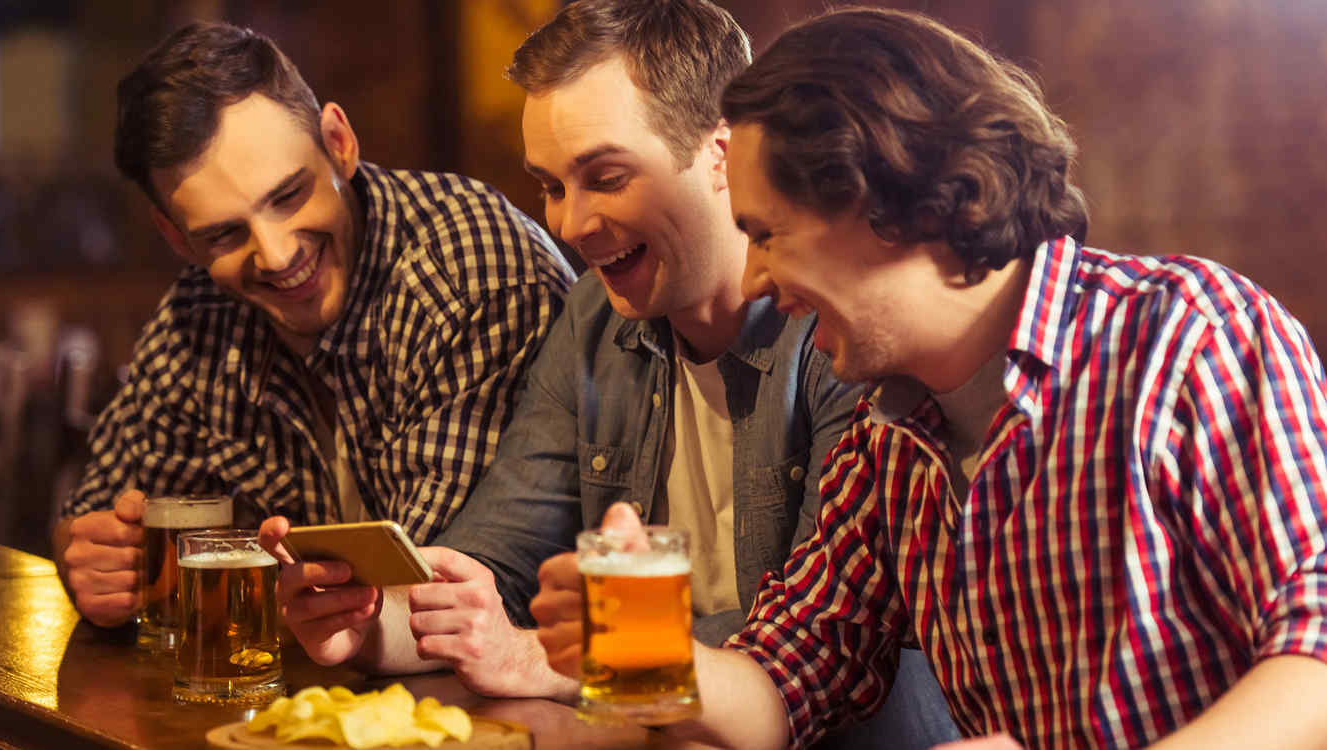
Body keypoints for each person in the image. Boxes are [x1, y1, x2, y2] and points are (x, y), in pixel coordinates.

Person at [530, 7, 1327, 750]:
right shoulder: (891, 441)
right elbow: (784, 680)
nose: (753, 280)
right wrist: (644, 649)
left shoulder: (1187, 338)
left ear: (891, 203)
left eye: (767, 235)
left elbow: (1317, 644)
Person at [258, 2, 959, 748]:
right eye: (552, 186)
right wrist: (369, 624)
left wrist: (562, 655)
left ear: (725, 152)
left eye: (607, 177)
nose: (569, 225)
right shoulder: (597, 317)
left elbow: (810, 644)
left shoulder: (849, 327)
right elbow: (496, 568)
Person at [53, 21, 575, 631]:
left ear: (338, 142)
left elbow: (419, 595)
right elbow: (90, 514)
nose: (276, 255)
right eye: (224, 233)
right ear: (177, 238)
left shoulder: (470, 275)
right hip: (310, 677)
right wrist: (95, 560)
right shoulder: (200, 312)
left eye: (288, 195)